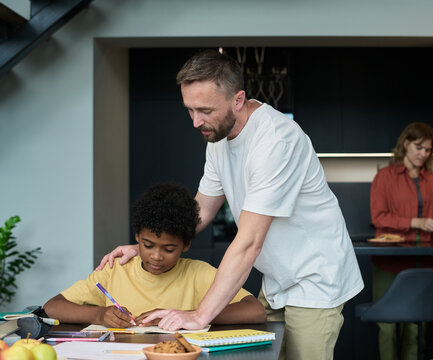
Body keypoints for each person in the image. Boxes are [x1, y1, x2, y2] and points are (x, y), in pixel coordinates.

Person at [97, 49, 364, 360]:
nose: (196, 122)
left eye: (205, 110)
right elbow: (201, 211)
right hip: (279, 279)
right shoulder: (218, 138)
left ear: (238, 100)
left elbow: (249, 242)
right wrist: (146, 245)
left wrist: (199, 316)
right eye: (190, 110)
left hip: (316, 278)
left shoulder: (276, 141)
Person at [44, 182, 266, 327]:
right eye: (148, 245)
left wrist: (186, 315)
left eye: (169, 249)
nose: (157, 256)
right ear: (137, 237)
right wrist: (99, 315)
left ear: (186, 244)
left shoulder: (198, 273)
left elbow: (256, 311)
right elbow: (52, 306)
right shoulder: (115, 271)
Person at [369, 122, 433, 360]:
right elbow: (378, 217)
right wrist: (416, 222)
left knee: (416, 325)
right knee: (387, 324)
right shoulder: (384, 176)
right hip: (389, 262)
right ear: (406, 144)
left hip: (424, 261)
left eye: (428, 150)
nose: (423, 154)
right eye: (419, 147)